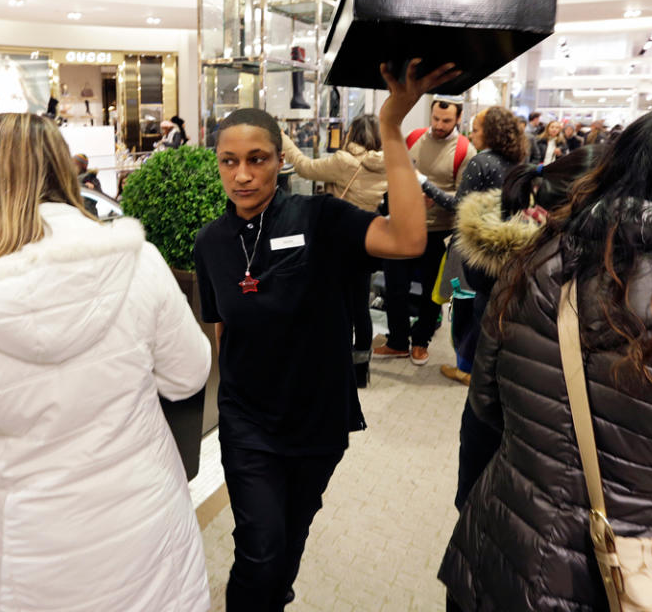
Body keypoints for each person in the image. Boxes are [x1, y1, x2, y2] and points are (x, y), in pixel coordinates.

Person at [0, 113, 212, 612]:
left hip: (39, 560)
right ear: (65, 171)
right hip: (150, 526)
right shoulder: (138, 261)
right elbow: (189, 374)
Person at [195, 59, 459, 611]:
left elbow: (410, 239)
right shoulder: (212, 243)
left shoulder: (321, 219)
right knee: (260, 548)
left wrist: (390, 129)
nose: (242, 174)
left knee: (291, 537)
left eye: (257, 160)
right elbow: (223, 328)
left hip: (317, 419)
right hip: (249, 423)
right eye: (229, 161)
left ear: (279, 161)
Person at [439, 102, 652, 612]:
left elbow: (483, 413)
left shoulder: (538, 263)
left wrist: (471, 507)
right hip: (647, 575)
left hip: (502, 543)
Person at [448, 145, 608, 512]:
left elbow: (485, 395)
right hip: (539, 447)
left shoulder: (505, 253)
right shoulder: (561, 273)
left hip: (493, 427)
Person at [416, 106, 527, 384]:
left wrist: (424, 184)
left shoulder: (480, 161)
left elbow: (459, 205)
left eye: (476, 129)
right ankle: (483, 366)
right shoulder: (517, 161)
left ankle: (465, 368)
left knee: (465, 308)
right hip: (505, 246)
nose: (471, 134)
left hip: (474, 247)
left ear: (489, 133)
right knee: (489, 308)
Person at [280, 114, 387, 387]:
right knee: (360, 306)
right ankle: (361, 371)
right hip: (368, 241)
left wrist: (281, 137)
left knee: (337, 306)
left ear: (352, 134)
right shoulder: (385, 164)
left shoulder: (344, 162)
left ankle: (336, 366)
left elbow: (304, 167)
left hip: (341, 240)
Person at [373, 95, 477, 365]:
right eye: (436, 119)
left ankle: (420, 342)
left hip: (437, 231)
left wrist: (436, 195)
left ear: (458, 119)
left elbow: (465, 197)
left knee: (432, 292)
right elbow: (395, 171)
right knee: (396, 286)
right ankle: (397, 341)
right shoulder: (414, 137)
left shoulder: (465, 150)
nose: (439, 124)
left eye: (446, 120)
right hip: (402, 225)